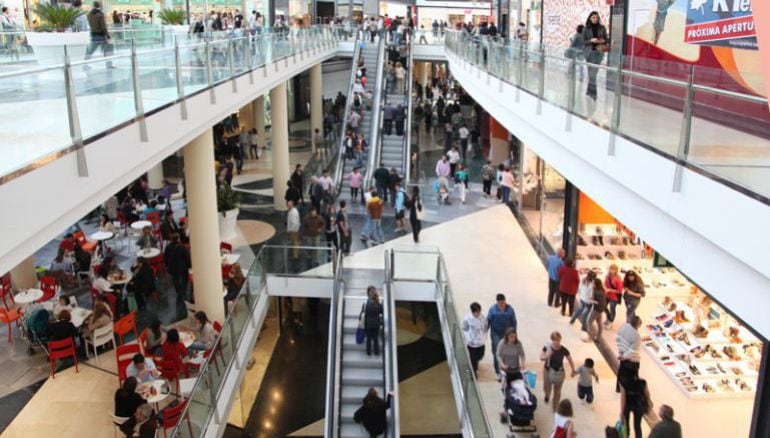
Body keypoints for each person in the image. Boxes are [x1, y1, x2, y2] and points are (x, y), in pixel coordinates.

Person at [540, 331, 576, 411]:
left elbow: (570, 359)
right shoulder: (547, 347)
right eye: (554, 340)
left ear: (560, 340)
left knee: (557, 391)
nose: (556, 342)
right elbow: (541, 357)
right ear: (551, 340)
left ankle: (555, 406)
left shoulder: (563, 349)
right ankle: (547, 395)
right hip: (548, 370)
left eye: (557, 340)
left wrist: (573, 370)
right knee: (547, 386)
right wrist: (547, 355)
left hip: (559, 372)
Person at [487, 293, 517, 376]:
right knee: (497, 351)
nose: (501, 305)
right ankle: (498, 370)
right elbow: (488, 321)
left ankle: (505, 368)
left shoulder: (510, 309)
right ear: (497, 302)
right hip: (495, 333)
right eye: (500, 303)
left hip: (506, 334)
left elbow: (514, 321)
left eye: (503, 303)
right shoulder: (492, 310)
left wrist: (514, 333)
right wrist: (485, 330)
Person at [582, 11, 608, 100]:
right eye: (593, 17)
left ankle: (590, 92)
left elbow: (606, 39)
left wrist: (602, 41)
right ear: (590, 18)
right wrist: (591, 41)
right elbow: (583, 42)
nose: (595, 19)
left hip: (598, 53)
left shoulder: (602, 28)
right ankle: (593, 93)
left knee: (593, 74)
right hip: (589, 53)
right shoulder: (586, 29)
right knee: (591, 74)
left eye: (596, 17)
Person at [84, 2, 114, 70]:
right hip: (101, 36)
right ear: (99, 6)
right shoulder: (100, 14)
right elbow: (103, 27)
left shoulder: (89, 14)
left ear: (93, 6)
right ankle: (109, 65)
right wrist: (108, 36)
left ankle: (85, 65)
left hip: (93, 36)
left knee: (89, 51)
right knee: (108, 51)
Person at [616, 315, 642, 393]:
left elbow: (618, 338)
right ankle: (632, 391)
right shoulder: (636, 336)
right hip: (632, 360)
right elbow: (632, 351)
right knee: (633, 376)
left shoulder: (624, 326)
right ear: (638, 324)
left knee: (621, 372)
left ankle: (619, 388)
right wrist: (624, 357)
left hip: (622, 354)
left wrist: (620, 352)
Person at [461, 302, 488, 376]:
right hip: (472, 344)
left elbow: (485, 328)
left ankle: (473, 365)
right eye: (477, 312)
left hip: (481, 342)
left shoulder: (482, 317)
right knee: (473, 359)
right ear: (473, 312)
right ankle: (472, 373)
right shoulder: (467, 319)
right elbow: (464, 329)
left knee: (480, 356)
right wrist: (468, 339)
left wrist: (484, 337)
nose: (478, 313)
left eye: (479, 311)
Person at [164, 233, 191, 303]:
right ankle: (184, 290)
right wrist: (189, 266)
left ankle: (178, 290)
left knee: (175, 278)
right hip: (182, 267)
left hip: (172, 267)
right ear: (178, 239)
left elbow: (165, 257)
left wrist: (167, 265)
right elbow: (186, 258)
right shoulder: (182, 248)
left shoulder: (168, 247)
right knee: (184, 278)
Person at [362, 286, 383, 356]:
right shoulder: (377, 302)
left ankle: (368, 353)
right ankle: (376, 353)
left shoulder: (367, 303)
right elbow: (381, 311)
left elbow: (366, 314)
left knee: (368, 339)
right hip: (376, 324)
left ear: (368, 293)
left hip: (369, 324)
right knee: (375, 338)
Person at [603, 264, 623, 330]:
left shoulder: (618, 279)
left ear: (616, 270)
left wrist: (610, 290)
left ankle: (611, 322)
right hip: (607, 295)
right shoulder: (607, 276)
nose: (612, 270)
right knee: (603, 306)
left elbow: (619, 291)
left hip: (614, 297)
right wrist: (605, 288)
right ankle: (608, 318)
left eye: (613, 269)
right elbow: (605, 283)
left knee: (612, 309)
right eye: (611, 269)